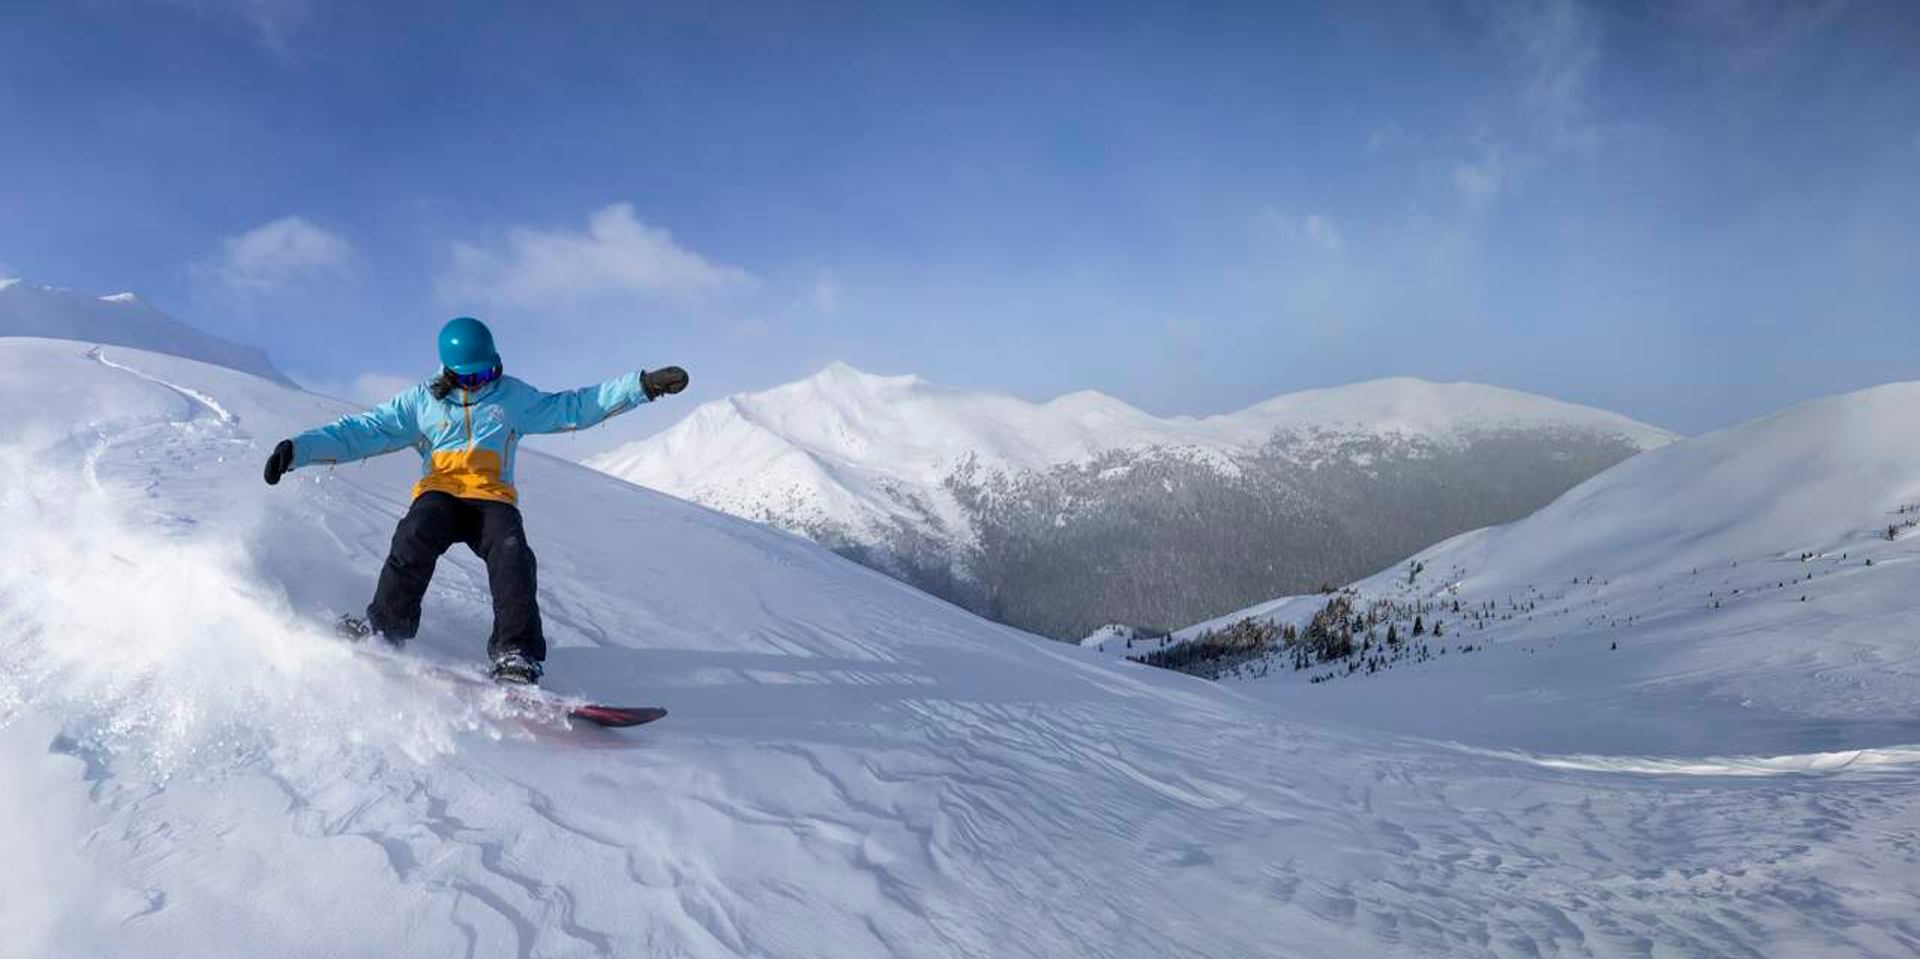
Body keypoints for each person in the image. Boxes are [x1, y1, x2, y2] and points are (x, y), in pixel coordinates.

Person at [262, 316, 688, 684]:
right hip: (440, 493)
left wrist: (641, 386)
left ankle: (515, 653)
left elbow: (573, 407)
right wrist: (298, 450)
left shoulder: (513, 397)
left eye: (487, 373)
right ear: (448, 371)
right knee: (414, 534)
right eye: (469, 377)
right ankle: (385, 628)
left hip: (492, 499)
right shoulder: (420, 403)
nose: (481, 382)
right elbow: (361, 431)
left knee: (512, 555)